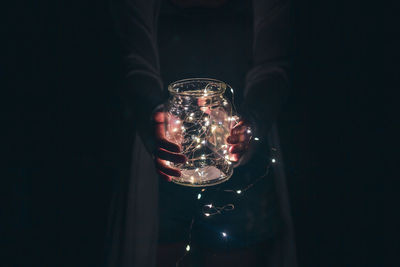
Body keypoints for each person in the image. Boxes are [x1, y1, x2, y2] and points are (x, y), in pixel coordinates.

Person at [106, 0, 297, 266]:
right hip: (163, 170)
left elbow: (273, 65)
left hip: (244, 175)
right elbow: (135, 61)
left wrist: (251, 123)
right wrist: (153, 116)